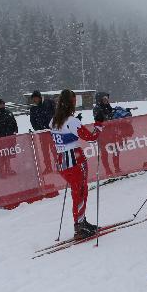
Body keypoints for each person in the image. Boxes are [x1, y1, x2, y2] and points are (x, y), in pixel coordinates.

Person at [51, 89, 104, 239]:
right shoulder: (71, 121)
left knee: (77, 192)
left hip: (62, 161)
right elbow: (92, 137)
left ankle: (81, 221)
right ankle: (79, 226)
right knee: (80, 192)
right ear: (71, 103)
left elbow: (61, 136)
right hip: (74, 160)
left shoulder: (53, 120)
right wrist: (99, 123)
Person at [93, 92, 122, 176]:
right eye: (104, 98)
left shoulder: (107, 106)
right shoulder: (97, 108)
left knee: (116, 150)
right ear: (100, 99)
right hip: (102, 134)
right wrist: (111, 116)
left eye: (107, 98)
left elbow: (112, 114)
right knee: (104, 153)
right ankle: (108, 170)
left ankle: (117, 168)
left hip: (112, 132)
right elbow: (100, 119)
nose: (106, 100)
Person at [0, 98, 19, 177]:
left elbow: (14, 123)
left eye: (3, 104)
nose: (2, 105)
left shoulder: (8, 113)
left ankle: (8, 169)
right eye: (0, 104)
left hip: (10, 138)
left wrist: (15, 131)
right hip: (1, 140)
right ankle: (2, 171)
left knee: (8, 154)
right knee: (2, 155)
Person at [30, 90, 56, 173]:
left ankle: (59, 165)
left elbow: (56, 114)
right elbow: (33, 121)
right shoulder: (33, 109)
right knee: (45, 151)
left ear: (39, 97)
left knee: (55, 149)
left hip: (52, 132)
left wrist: (54, 126)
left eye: (36, 98)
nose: (34, 100)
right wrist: (39, 130)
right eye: (33, 99)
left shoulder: (49, 103)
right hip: (42, 134)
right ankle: (48, 167)